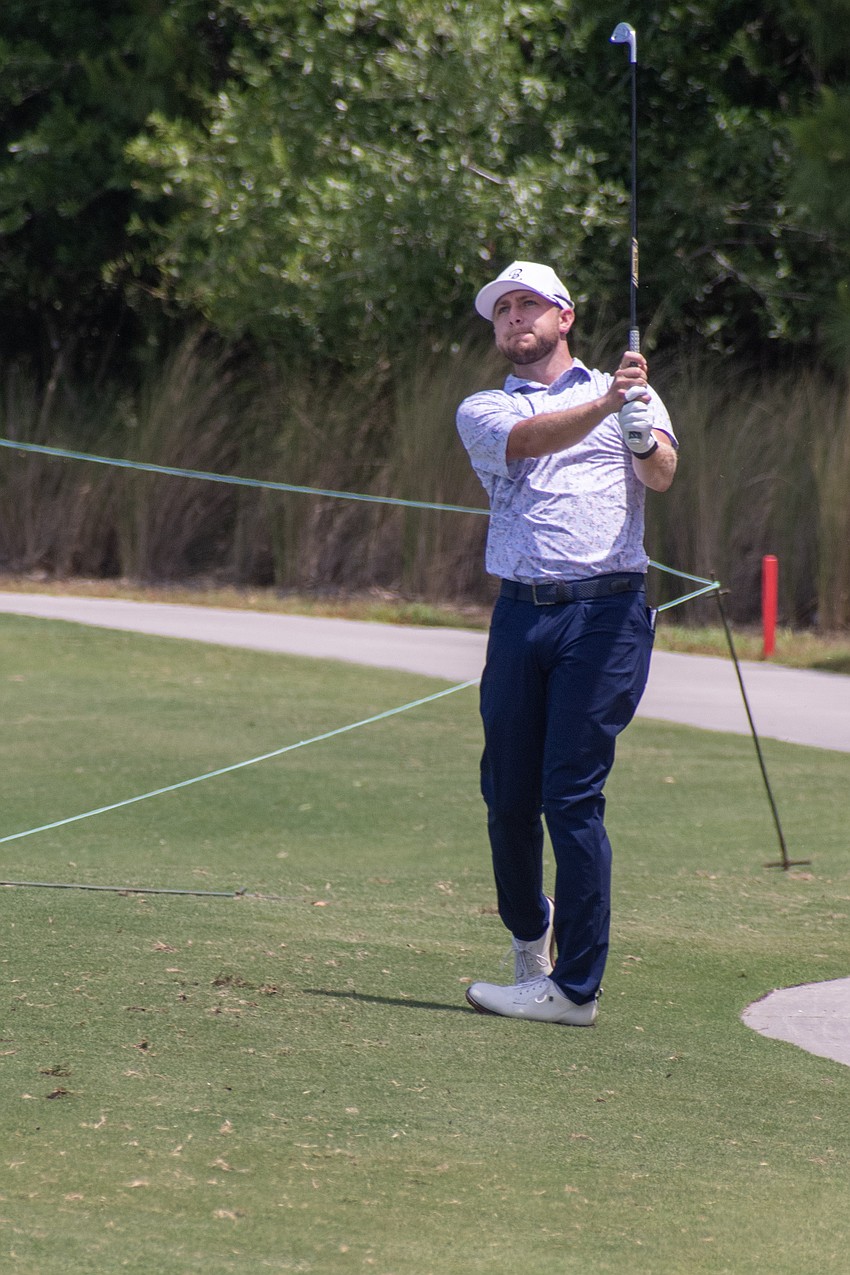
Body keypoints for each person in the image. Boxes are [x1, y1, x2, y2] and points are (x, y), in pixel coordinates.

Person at [455, 260, 678, 1026]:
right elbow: (529, 440)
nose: (515, 319)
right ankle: (529, 934)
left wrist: (640, 430)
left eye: (529, 306)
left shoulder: (631, 391)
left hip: (607, 614)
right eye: (503, 310)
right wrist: (609, 402)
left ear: (565, 315)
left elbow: (663, 475)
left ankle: (576, 988)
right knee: (506, 797)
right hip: (522, 613)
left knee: (571, 797)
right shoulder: (484, 406)